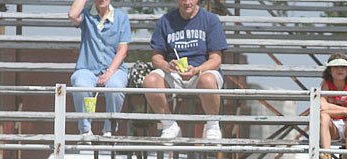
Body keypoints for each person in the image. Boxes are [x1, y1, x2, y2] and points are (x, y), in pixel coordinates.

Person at [143, 0, 229, 140]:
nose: (187, 2)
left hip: (202, 71)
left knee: (207, 80)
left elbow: (216, 59)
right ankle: (169, 125)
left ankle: (213, 125)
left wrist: (196, 70)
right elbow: (156, 58)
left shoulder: (211, 20)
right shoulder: (165, 20)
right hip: (174, 73)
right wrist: (167, 66)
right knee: (150, 80)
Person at [68, 0, 131, 139]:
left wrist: (109, 72)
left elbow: (122, 50)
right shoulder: (86, 15)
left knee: (115, 86)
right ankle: (85, 131)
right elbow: (72, 15)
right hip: (87, 68)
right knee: (80, 84)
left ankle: (110, 128)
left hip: (115, 68)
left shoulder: (121, 17)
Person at [319, 53, 347, 159]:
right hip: (333, 127)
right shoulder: (326, 84)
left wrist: (331, 108)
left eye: (343, 67)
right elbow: (322, 106)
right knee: (323, 116)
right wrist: (346, 110)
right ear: (330, 70)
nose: (340, 69)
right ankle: (327, 155)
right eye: (336, 67)